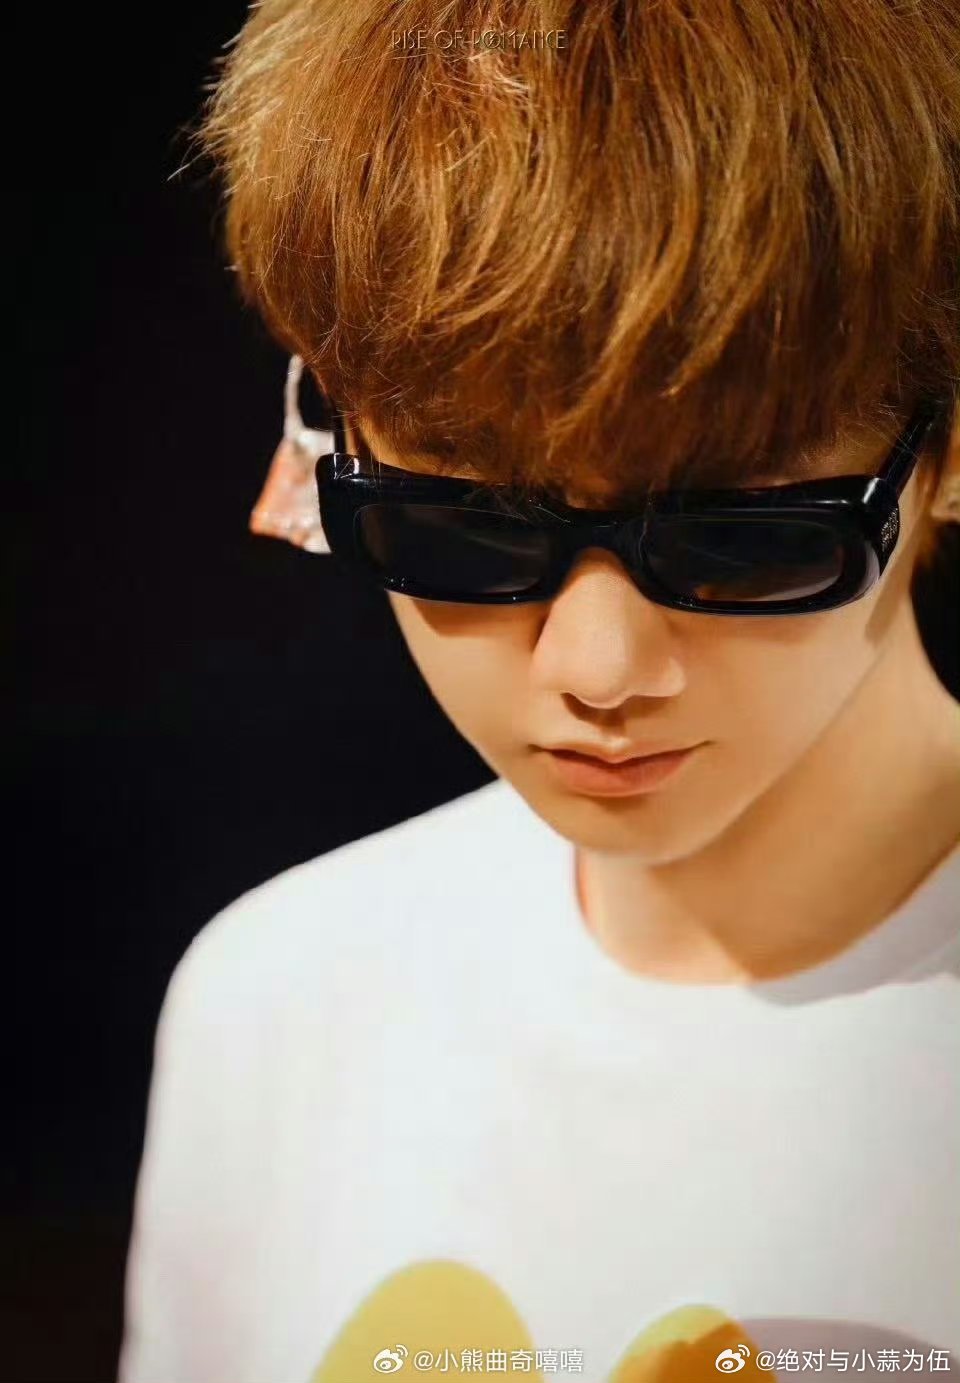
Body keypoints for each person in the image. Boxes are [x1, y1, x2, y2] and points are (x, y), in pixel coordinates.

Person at [118, 3, 960, 1381]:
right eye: (461, 526)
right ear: (327, 435)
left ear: (947, 447)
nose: (597, 669)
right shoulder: (277, 1001)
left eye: (742, 536)